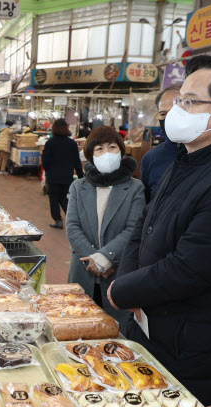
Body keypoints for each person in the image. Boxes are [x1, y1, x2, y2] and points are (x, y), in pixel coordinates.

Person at [107, 55, 211, 406]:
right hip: (144, 324)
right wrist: (128, 286)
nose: (178, 109)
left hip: (183, 345)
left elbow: (189, 269)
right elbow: (142, 229)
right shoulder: (184, 161)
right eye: (180, 100)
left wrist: (122, 290)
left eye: (190, 102)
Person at [65, 126, 145, 334]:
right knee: (79, 331)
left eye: (112, 147)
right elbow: (72, 226)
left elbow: (133, 229)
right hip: (83, 270)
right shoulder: (78, 187)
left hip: (116, 273)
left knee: (115, 334)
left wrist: (105, 258)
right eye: (99, 149)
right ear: (91, 155)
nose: (106, 153)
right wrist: (94, 260)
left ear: (121, 150)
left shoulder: (135, 188)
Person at [139, 84, 182, 202]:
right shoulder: (152, 158)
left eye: (175, 111)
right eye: (163, 113)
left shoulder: (206, 153)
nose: (169, 118)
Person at [41, 119, 84, 229]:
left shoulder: (50, 143)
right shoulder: (72, 143)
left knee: (54, 199)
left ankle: (58, 220)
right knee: (65, 198)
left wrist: (48, 170)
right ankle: (74, 220)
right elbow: (77, 162)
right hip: (67, 176)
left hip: (53, 176)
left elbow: (45, 160)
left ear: (54, 128)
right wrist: (80, 176)